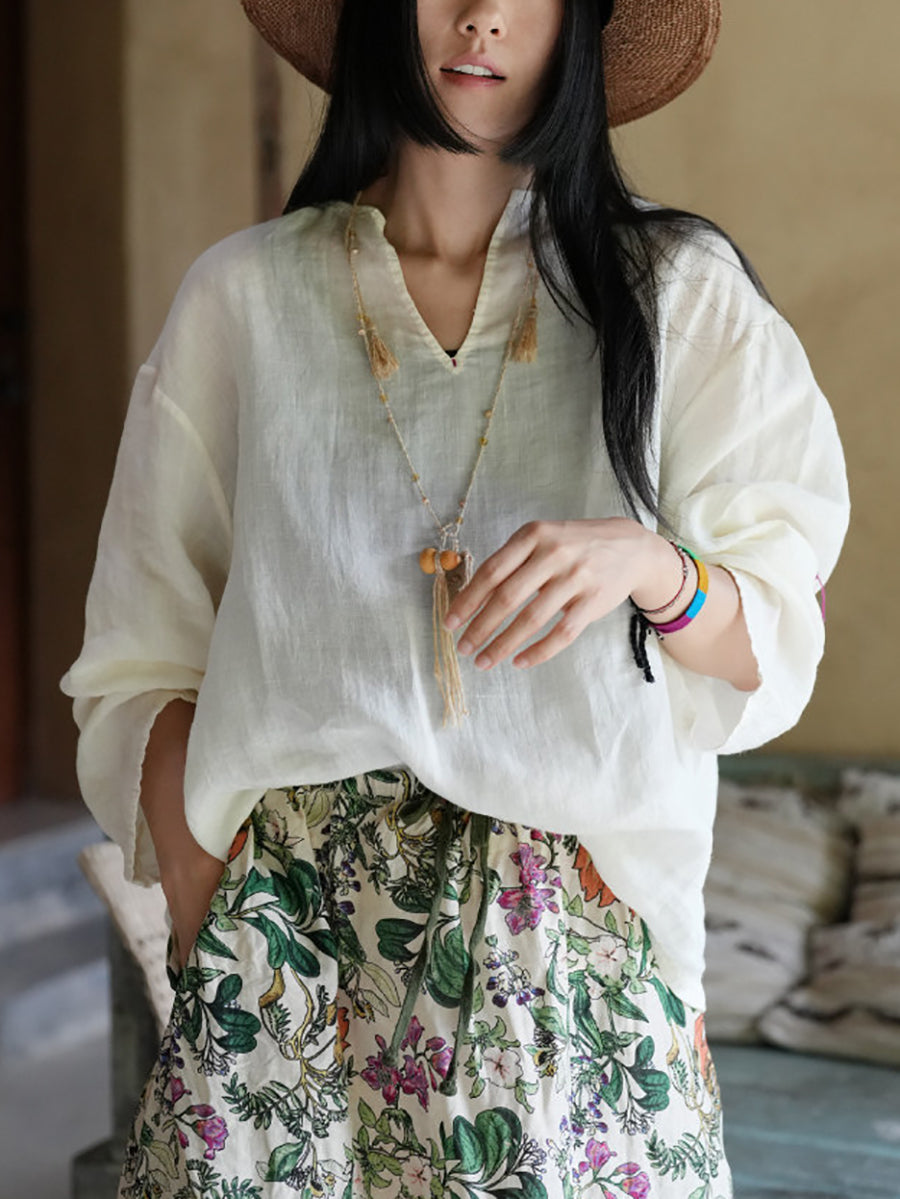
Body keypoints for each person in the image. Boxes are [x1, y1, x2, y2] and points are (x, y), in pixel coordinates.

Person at [60, 0, 849, 1195]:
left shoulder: (675, 292)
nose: (483, 17)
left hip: (569, 955)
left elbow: (775, 635)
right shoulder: (244, 297)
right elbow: (138, 650)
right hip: (282, 947)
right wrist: (197, 876)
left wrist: (651, 566)